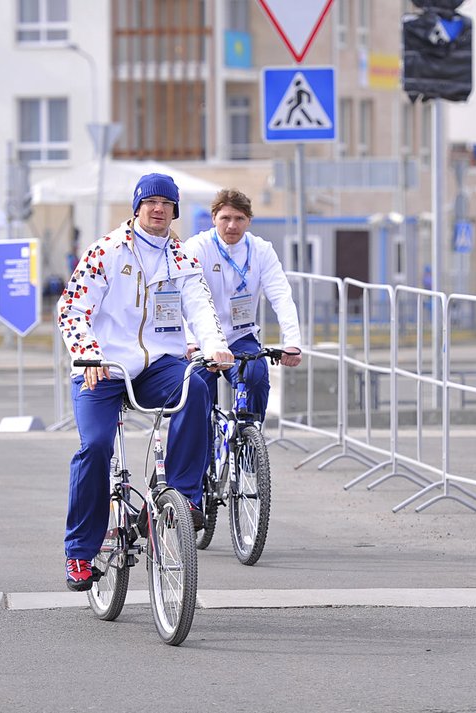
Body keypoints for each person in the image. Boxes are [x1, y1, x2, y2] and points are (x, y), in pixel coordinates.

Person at [57, 172, 233, 592]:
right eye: (150, 202)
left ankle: (184, 495)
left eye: (166, 203)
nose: (158, 209)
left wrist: (214, 345)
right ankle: (80, 552)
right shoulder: (107, 251)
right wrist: (87, 353)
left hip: (157, 364)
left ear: (174, 211)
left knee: (198, 385)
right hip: (103, 365)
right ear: (136, 208)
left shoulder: (182, 258)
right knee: (95, 447)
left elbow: (200, 308)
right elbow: (72, 309)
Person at [183, 189, 302, 423]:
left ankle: (250, 439)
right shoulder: (197, 247)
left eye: (239, 218)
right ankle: (203, 448)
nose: (231, 225)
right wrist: (190, 340)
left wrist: (292, 342)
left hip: (241, 335)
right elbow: (181, 299)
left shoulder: (261, 250)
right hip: (201, 339)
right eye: (225, 218)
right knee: (197, 389)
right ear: (214, 217)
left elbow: (281, 296)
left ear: (249, 220)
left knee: (255, 375)